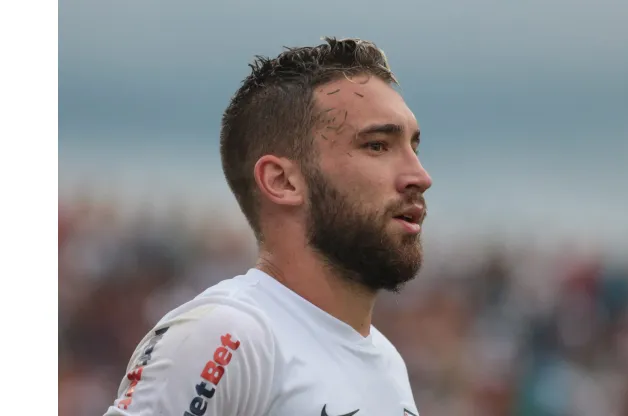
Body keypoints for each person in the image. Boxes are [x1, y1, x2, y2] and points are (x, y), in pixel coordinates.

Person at [104, 37, 432, 416]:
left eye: (414, 148)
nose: (420, 176)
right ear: (282, 182)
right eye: (377, 146)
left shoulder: (389, 363)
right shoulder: (227, 335)